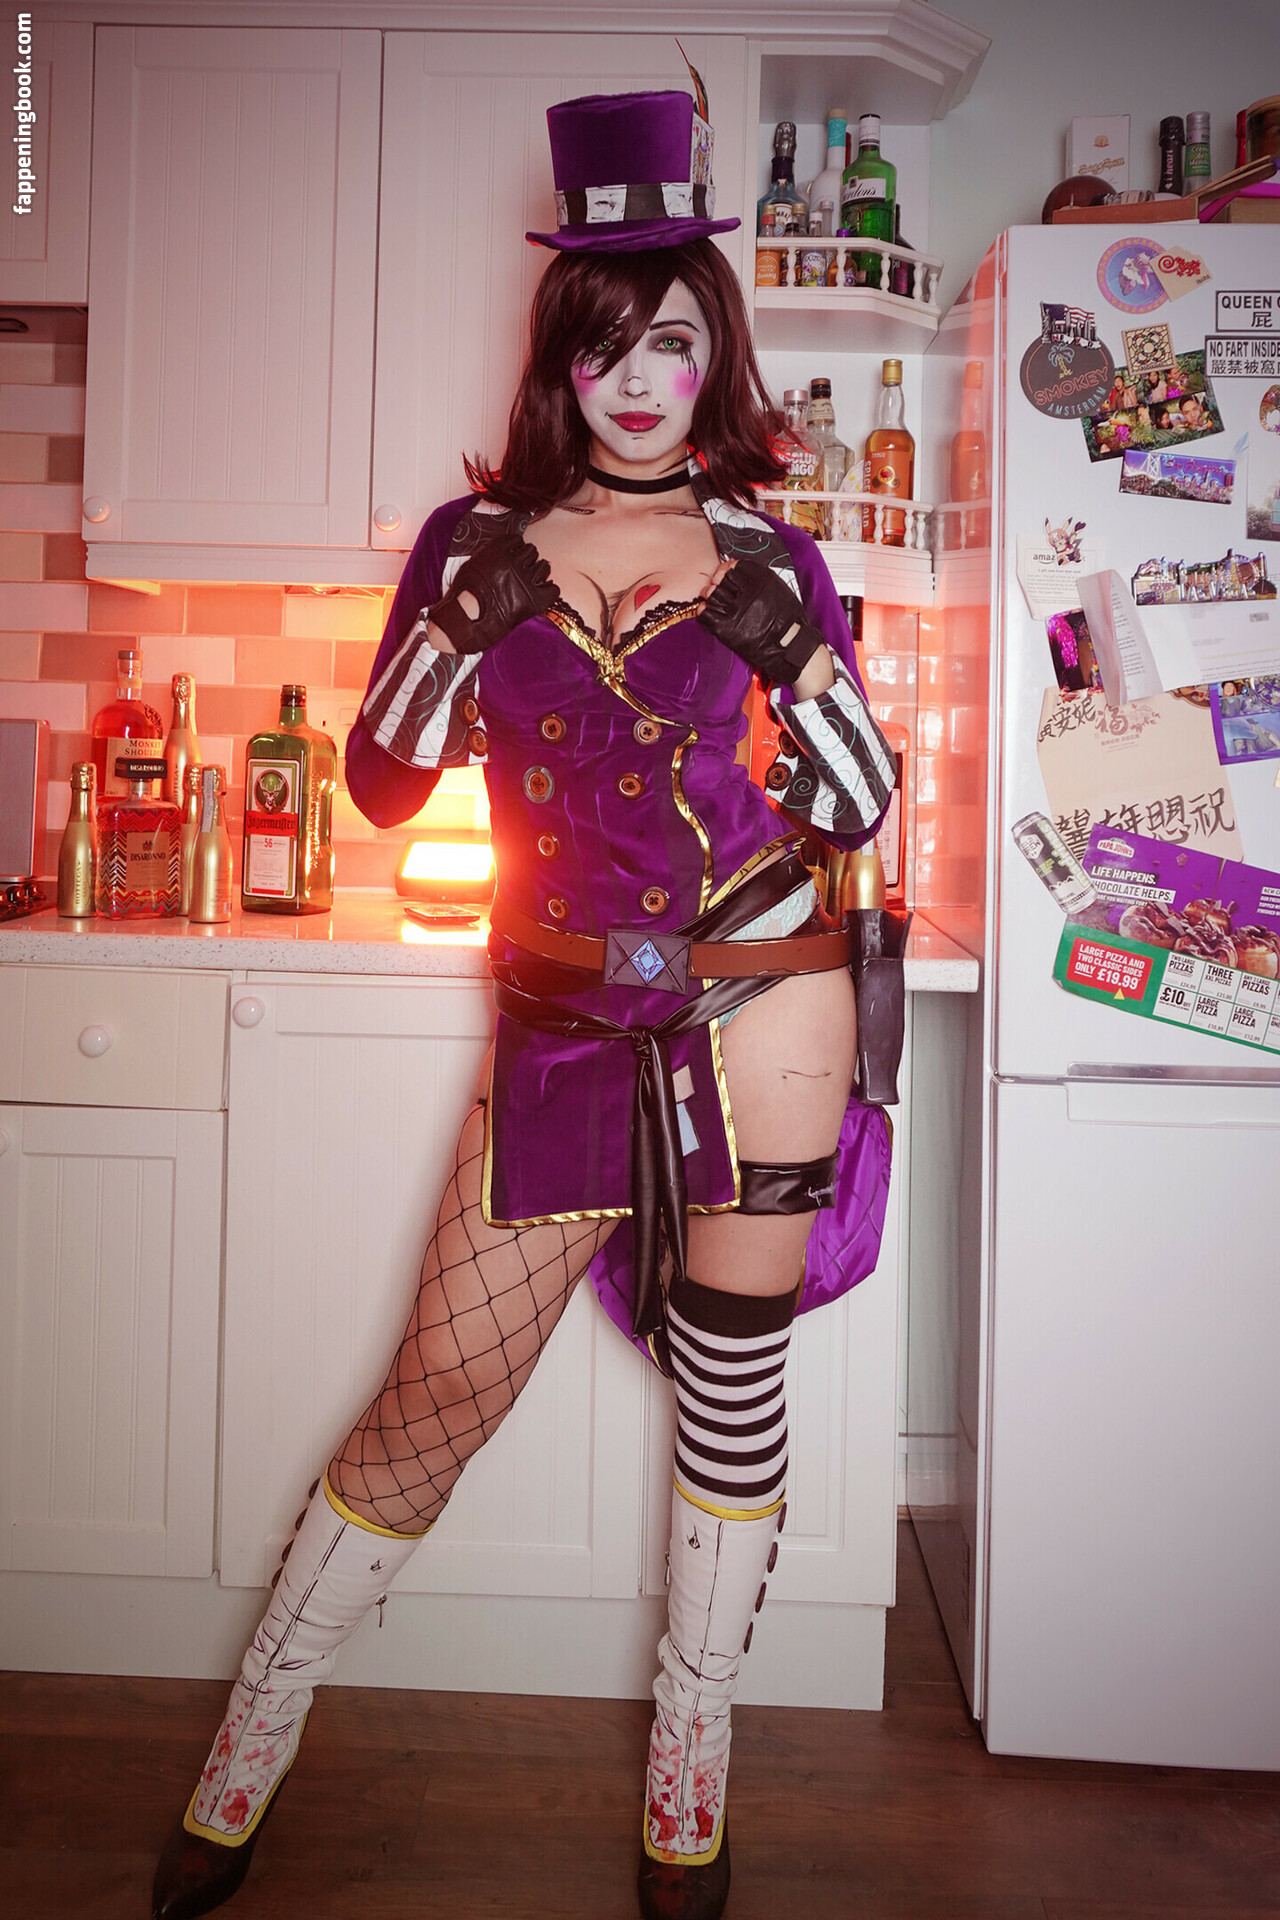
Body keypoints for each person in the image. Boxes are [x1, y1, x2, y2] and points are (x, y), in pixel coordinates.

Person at [152, 85, 895, 1920]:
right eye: (604, 344)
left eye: (673, 341)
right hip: (562, 1019)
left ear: (712, 352)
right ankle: (247, 1754)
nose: (640, 379)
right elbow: (381, 789)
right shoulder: (470, 537)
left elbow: (857, 809)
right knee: (435, 1398)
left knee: (732, 1395)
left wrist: (798, 663)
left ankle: (689, 1779)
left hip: (763, 1004)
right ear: (562, 360)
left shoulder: (772, 555)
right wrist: (455, 627)